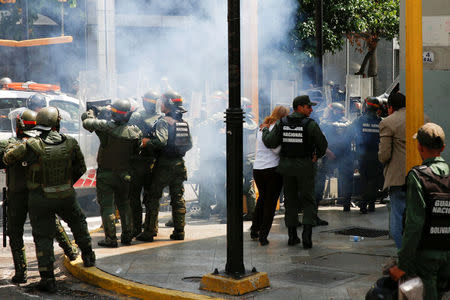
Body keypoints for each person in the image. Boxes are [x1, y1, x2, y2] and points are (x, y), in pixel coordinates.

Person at [3, 107, 95, 292]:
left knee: (43, 236)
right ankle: (88, 255)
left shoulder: (32, 145)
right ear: (57, 123)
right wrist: (66, 183)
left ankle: (48, 279)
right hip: (66, 194)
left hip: (41, 197)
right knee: (78, 223)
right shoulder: (70, 142)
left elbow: (8, 158)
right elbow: (81, 168)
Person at [392, 123, 449, 300]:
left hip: (426, 257)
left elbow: (414, 224)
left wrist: (403, 263)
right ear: (443, 148)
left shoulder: (418, 176)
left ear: (419, 146)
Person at [262, 95, 328, 248]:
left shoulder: (282, 123)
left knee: (290, 201)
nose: (311, 110)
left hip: (287, 168)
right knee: (308, 200)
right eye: (308, 107)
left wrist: (265, 130)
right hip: (305, 167)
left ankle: (292, 236)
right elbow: (323, 145)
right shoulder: (310, 125)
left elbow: (270, 142)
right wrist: (317, 155)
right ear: (299, 107)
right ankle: (307, 236)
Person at [82, 99, 142, 247]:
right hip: (125, 174)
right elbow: (136, 152)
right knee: (124, 204)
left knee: (107, 206)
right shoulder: (135, 132)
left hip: (106, 175)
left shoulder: (106, 127)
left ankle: (111, 238)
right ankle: (127, 236)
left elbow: (87, 122)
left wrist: (91, 112)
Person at [138, 91, 192, 241]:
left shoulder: (163, 121)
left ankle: (149, 232)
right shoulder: (183, 123)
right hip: (180, 164)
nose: (160, 104)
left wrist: (147, 142)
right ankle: (179, 231)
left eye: (162, 102)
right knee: (178, 197)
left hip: (164, 165)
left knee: (152, 197)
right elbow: (190, 144)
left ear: (167, 104)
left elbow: (161, 141)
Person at [251, 105, 289, 245]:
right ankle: (263, 235)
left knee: (262, 199)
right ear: (283, 116)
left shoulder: (263, 127)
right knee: (270, 203)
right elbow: (275, 148)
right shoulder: (276, 128)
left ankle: (254, 229)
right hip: (272, 169)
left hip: (258, 168)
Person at [128, 90, 162, 237]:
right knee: (151, 197)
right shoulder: (161, 118)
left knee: (134, 196)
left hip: (137, 162)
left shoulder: (136, 116)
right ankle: (151, 227)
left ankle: (135, 228)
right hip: (154, 162)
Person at [378, 92, 406, 249]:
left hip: (399, 178)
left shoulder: (388, 122)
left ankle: (403, 255)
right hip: (423, 176)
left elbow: (384, 155)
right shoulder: (423, 117)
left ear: (390, 107)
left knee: (398, 216)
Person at [352, 97, 384, 213]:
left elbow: (350, 135)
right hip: (377, 155)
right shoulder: (381, 121)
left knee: (364, 180)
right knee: (374, 181)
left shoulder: (358, 121)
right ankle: (370, 204)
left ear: (366, 106)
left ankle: (364, 203)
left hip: (362, 155)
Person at [320, 102, 354, 211]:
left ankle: (315, 204)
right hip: (346, 156)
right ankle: (346, 205)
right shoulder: (349, 124)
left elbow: (319, 139)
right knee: (347, 181)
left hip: (330, 155)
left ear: (334, 111)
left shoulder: (325, 124)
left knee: (320, 178)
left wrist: (327, 152)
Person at [242, 97, 258, 221]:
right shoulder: (254, 123)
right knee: (249, 186)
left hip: (242, 159)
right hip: (252, 158)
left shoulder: (241, 125)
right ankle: (252, 212)